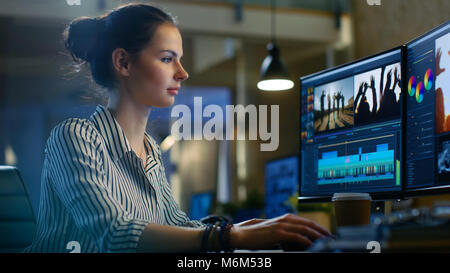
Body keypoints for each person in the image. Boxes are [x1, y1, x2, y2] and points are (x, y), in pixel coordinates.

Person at [24, 3, 331, 253]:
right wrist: (229, 237)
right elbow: (114, 234)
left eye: (179, 60)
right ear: (123, 63)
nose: (183, 73)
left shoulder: (151, 150)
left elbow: (175, 224)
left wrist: (249, 229)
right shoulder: (74, 137)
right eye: (167, 59)